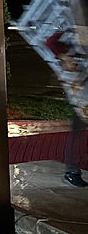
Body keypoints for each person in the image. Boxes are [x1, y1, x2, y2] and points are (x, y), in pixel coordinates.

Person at [45, 30, 88, 187]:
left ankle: (72, 172)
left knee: (77, 136)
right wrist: (67, 30)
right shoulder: (68, 47)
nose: (73, 61)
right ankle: (71, 172)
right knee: (76, 136)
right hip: (80, 102)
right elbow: (50, 42)